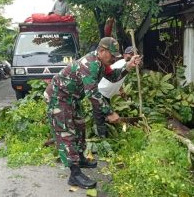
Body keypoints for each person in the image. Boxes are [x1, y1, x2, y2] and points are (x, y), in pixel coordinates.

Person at [44, 37, 141, 189]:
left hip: (72, 98)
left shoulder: (102, 63)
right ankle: (74, 174)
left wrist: (128, 66)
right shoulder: (90, 64)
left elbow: (113, 77)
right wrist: (109, 112)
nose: (114, 58)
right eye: (112, 54)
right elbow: (93, 94)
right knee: (66, 133)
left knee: (80, 126)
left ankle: (81, 158)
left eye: (116, 55)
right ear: (102, 51)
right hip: (59, 98)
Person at [95, 46, 137, 137]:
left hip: (108, 93)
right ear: (125, 55)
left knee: (106, 117)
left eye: (134, 54)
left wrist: (121, 90)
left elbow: (117, 78)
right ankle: (102, 139)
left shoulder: (125, 64)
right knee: (100, 118)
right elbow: (113, 76)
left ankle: (108, 135)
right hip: (102, 92)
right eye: (130, 54)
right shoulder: (121, 63)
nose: (132, 56)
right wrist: (109, 112)